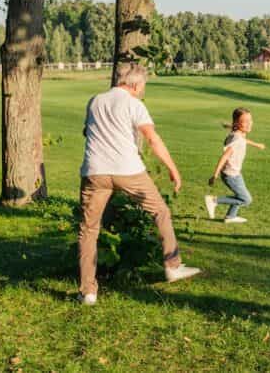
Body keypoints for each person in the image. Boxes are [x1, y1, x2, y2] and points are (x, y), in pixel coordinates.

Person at [78, 63, 201, 306]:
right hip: (128, 171)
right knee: (160, 211)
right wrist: (173, 170)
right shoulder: (135, 104)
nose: (143, 90)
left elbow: (87, 131)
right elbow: (153, 139)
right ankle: (172, 266)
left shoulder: (95, 100)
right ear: (134, 85)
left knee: (88, 230)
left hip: (94, 172)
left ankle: (88, 292)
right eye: (143, 86)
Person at [204, 107, 265, 223]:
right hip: (231, 175)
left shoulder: (238, 135)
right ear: (237, 123)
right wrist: (215, 175)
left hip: (235, 173)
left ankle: (230, 216)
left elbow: (243, 140)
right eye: (245, 121)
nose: (249, 123)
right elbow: (225, 156)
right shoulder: (236, 138)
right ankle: (214, 200)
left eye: (250, 120)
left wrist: (256, 145)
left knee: (241, 195)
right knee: (246, 199)